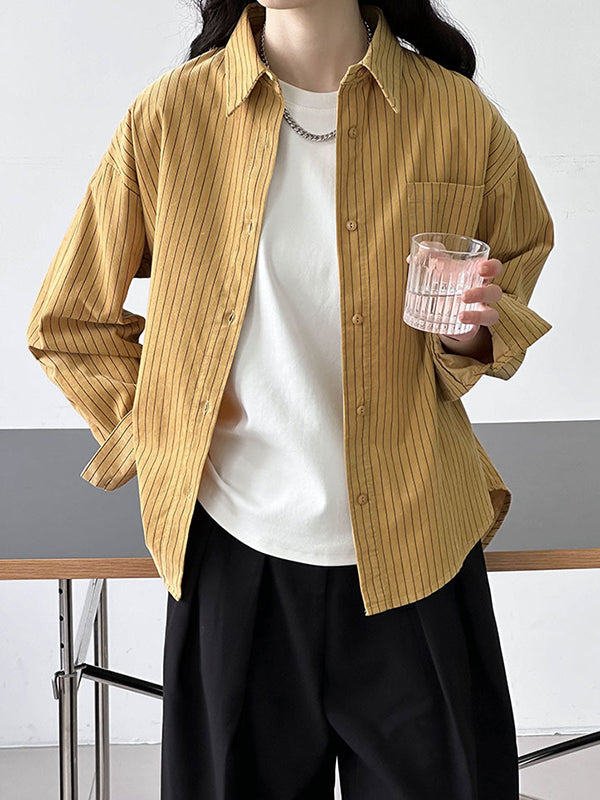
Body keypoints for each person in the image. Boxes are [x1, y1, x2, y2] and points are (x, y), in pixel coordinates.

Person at [26, 1, 554, 797]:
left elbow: (515, 264)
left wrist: (470, 334)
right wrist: (163, 435)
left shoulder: (455, 113)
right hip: (236, 564)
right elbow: (69, 321)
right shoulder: (172, 116)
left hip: (417, 550)